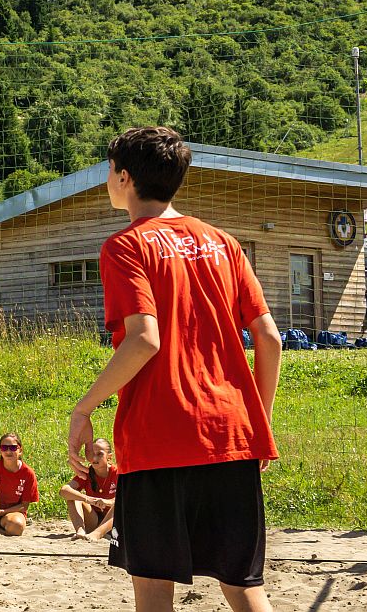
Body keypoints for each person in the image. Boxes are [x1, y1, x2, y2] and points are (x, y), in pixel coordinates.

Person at [67, 126, 282, 612]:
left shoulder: (125, 245)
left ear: (123, 177)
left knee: (153, 585)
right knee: (244, 584)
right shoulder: (224, 242)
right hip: (230, 434)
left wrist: (83, 408)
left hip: (159, 436)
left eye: (108, 170)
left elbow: (145, 339)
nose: (107, 179)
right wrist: (258, 421)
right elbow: (269, 338)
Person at [60, 438, 118, 541]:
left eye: (100, 454)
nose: (95, 458)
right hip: (93, 519)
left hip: (112, 521)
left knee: (118, 505)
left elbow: (126, 499)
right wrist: (88, 499)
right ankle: (80, 530)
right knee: (73, 497)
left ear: (109, 457)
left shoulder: (117, 473)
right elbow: (64, 490)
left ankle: (98, 533)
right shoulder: (87, 472)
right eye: (92, 454)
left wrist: (107, 502)